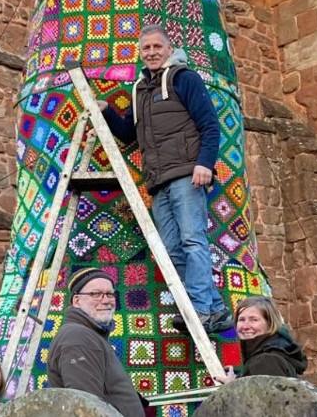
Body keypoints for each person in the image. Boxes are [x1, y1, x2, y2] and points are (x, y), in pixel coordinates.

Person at [97, 24, 232, 335]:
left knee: (193, 241)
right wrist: (106, 112)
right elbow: (129, 134)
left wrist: (205, 164)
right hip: (158, 182)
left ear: (170, 50)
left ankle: (199, 308)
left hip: (187, 174)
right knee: (172, 250)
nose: (152, 53)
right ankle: (214, 309)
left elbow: (210, 125)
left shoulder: (184, 78)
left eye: (158, 47)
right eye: (147, 49)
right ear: (140, 54)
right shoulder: (140, 90)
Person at [47, 268, 146, 417]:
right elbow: (86, 408)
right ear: (76, 301)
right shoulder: (78, 338)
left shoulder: (90, 335)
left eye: (109, 294)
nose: (105, 300)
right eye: (95, 294)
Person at [216, 296, 308, 382]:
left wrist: (231, 390)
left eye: (254, 320)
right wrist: (236, 382)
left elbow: (267, 398)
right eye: (241, 320)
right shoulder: (269, 354)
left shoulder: (266, 361)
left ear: (269, 323)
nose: (245, 326)